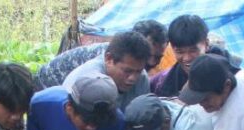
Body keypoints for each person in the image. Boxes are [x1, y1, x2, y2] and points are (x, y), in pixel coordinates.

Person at [35, 21, 167, 90]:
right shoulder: (106, 61)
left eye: (158, 58)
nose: (152, 62)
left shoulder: (134, 71)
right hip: (48, 83)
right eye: (149, 55)